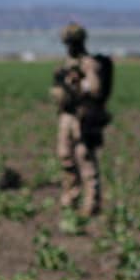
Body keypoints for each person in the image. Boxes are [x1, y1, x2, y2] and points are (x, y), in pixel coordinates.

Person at [52, 23, 111, 215]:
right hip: (66, 116)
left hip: (82, 117)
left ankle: (91, 204)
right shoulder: (67, 64)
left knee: (84, 158)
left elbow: (95, 89)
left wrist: (78, 85)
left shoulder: (88, 64)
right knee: (65, 157)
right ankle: (70, 198)